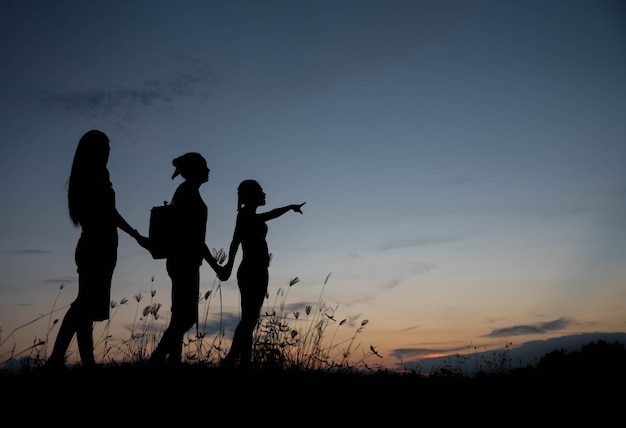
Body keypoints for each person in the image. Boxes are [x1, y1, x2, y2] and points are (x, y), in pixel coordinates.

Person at [46, 130, 150, 370]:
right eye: (104, 147)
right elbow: (109, 213)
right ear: (94, 150)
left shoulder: (86, 175)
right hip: (98, 246)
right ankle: (55, 360)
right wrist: (135, 234)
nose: (109, 151)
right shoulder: (96, 174)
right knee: (84, 305)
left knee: (87, 310)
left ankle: (87, 363)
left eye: (109, 147)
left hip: (96, 245)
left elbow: (107, 213)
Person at [219, 179, 305, 369]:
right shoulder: (245, 214)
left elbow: (236, 241)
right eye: (261, 192)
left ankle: (244, 362)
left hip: (255, 269)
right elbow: (235, 242)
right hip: (252, 270)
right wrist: (228, 267)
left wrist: (290, 207)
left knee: (249, 319)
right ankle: (232, 359)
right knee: (249, 319)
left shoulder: (247, 214)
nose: (265, 195)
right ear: (252, 195)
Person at [149, 152, 225, 366]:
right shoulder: (188, 193)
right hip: (185, 261)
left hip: (183, 260)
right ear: (195, 170)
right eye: (205, 166)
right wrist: (216, 267)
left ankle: (173, 362)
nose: (209, 170)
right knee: (186, 318)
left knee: (179, 317)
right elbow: (194, 237)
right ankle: (155, 360)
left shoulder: (186, 191)